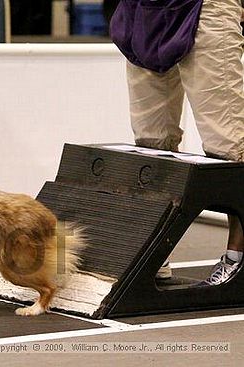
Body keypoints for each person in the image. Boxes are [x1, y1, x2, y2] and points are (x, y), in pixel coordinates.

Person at [111, 0, 244, 285]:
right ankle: (155, 254)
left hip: (205, 6)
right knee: (151, 143)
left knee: (229, 143)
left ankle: (237, 255)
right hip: (143, 12)